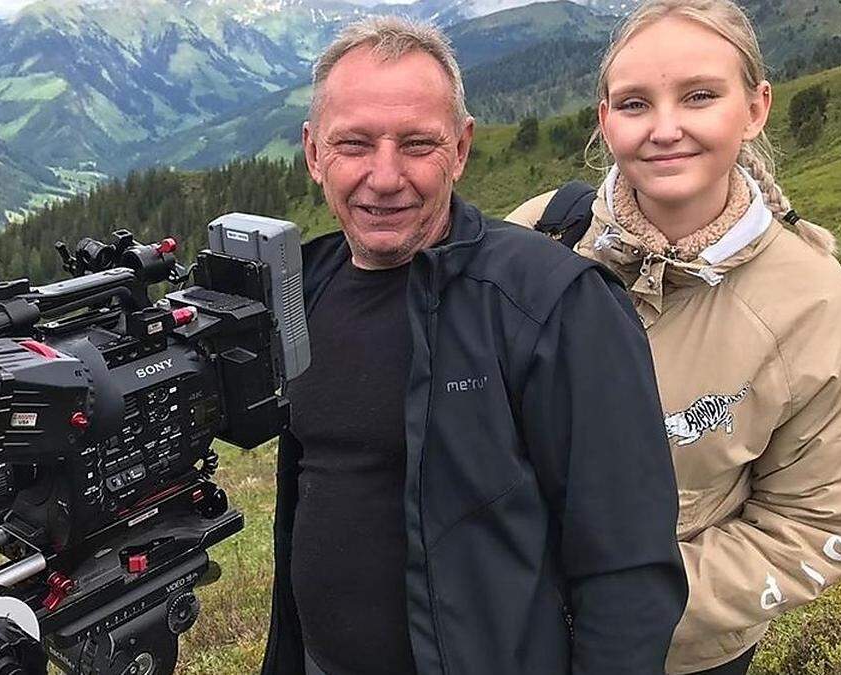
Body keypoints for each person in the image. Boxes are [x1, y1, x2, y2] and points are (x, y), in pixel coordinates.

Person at [261, 16, 688, 675]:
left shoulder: (553, 303)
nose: (384, 175)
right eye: (354, 144)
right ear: (314, 152)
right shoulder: (304, 287)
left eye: (416, 144)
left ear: (460, 149)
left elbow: (628, 567)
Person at [505, 2, 841, 674]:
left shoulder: (815, 303)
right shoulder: (537, 236)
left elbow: (816, 525)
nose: (665, 129)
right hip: (513, 635)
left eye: (699, 96)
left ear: (756, 108)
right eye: (635, 104)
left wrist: (625, 602)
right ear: (605, 120)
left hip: (682, 656)